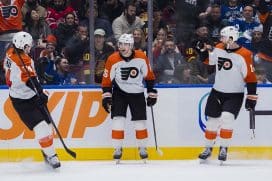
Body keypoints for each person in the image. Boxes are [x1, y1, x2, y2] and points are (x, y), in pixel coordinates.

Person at [197, 26, 258, 163]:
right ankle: (208, 148)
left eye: (223, 37)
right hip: (217, 92)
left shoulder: (245, 54)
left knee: (226, 118)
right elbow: (209, 62)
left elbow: (251, 77)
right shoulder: (219, 47)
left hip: (234, 95)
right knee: (212, 121)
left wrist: (251, 97)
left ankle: (223, 148)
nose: (220, 39)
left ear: (232, 38)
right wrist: (202, 51)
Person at [3, 31, 61, 169]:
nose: (30, 48)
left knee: (48, 125)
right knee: (41, 127)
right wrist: (41, 93)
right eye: (29, 46)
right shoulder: (23, 59)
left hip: (27, 94)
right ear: (23, 46)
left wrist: (39, 93)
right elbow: (30, 80)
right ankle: (51, 155)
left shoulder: (10, 51)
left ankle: (47, 152)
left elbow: (29, 77)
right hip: (22, 100)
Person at [101, 33, 157, 162]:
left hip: (137, 94)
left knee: (140, 122)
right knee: (118, 121)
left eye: (126, 44)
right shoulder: (112, 59)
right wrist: (106, 97)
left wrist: (151, 92)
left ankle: (142, 148)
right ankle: (117, 148)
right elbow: (106, 81)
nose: (122, 47)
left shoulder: (142, 57)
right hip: (119, 93)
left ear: (131, 45)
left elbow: (149, 76)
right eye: (120, 44)